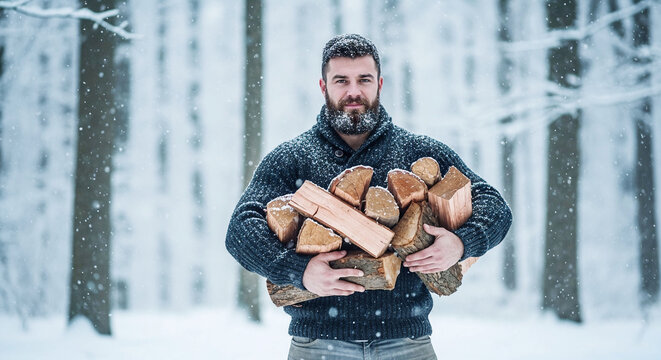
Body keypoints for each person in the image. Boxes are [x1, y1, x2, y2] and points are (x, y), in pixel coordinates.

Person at [226, 34, 512, 360]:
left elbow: (493, 204)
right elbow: (240, 230)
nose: (353, 91)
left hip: (407, 342)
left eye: (364, 79)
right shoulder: (293, 157)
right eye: (341, 80)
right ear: (323, 87)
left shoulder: (419, 151)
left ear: (380, 84)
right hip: (318, 345)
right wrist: (297, 270)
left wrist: (462, 243)